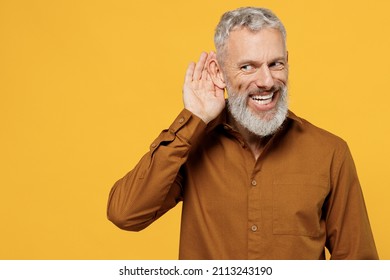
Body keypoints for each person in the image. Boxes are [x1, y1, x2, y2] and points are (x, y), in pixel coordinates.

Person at [107, 7, 378, 260]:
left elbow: (359, 265)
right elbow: (125, 214)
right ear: (220, 72)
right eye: (248, 66)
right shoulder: (192, 146)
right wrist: (194, 119)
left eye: (276, 64)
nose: (267, 81)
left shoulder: (330, 153)